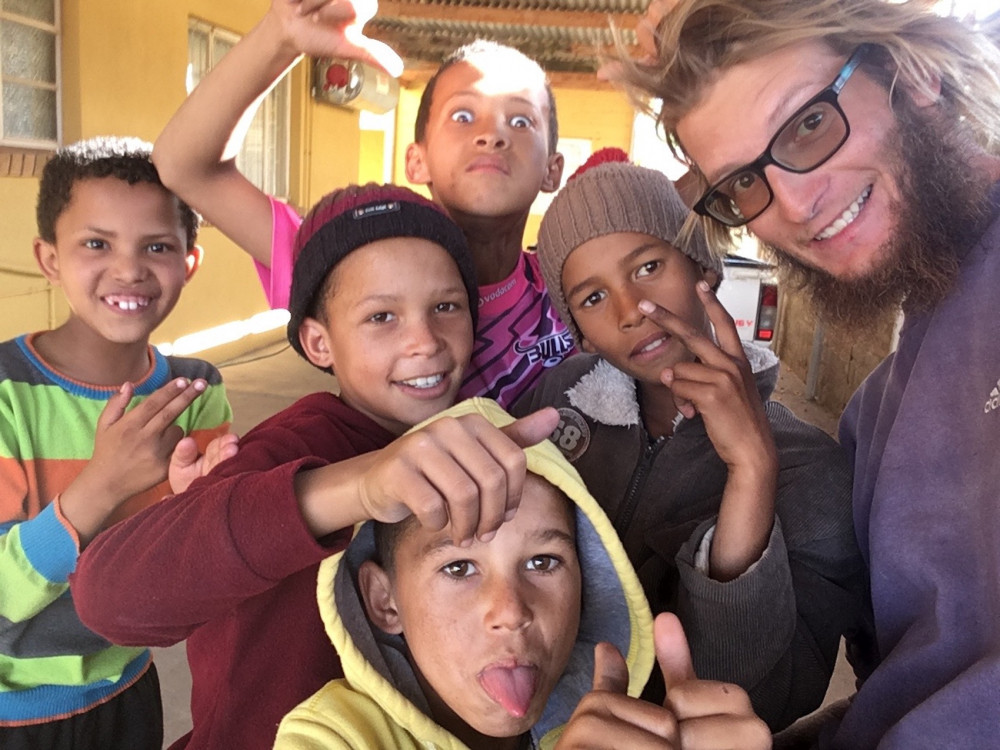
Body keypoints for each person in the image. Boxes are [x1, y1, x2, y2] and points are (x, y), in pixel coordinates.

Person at [606, 1, 1000, 747]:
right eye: (743, 183)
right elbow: (896, 691)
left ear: (911, 73)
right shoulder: (874, 416)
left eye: (809, 124)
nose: (791, 204)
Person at [72, 183, 560, 750]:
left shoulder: (482, 444)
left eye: (446, 307)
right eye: (382, 316)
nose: (425, 341)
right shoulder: (282, 451)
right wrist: (357, 489)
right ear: (319, 343)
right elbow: (106, 598)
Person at [512, 149, 874, 732]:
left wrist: (752, 472)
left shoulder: (810, 470)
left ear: (703, 267)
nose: (630, 311)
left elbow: (769, 700)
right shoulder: (555, 405)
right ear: (580, 333)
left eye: (648, 267)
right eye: (593, 298)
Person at [274, 398, 771, 750]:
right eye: (459, 567)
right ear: (385, 601)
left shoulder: (624, 735)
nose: (511, 612)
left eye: (542, 562)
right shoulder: (331, 736)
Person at [152, 0, 575, 408]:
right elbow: (185, 166)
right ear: (417, 160)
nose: (492, 135)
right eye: (463, 116)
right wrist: (278, 39)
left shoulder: (576, 288)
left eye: (521, 121)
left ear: (552, 170)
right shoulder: (349, 262)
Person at [0, 136, 233, 749]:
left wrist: (200, 513)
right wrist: (101, 485)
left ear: (190, 262)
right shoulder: (7, 395)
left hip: (128, 689)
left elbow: (199, 577)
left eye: (156, 246)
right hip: (13, 714)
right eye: (97, 244)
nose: (129, 269)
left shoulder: (196, 391)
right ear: (50, 258)